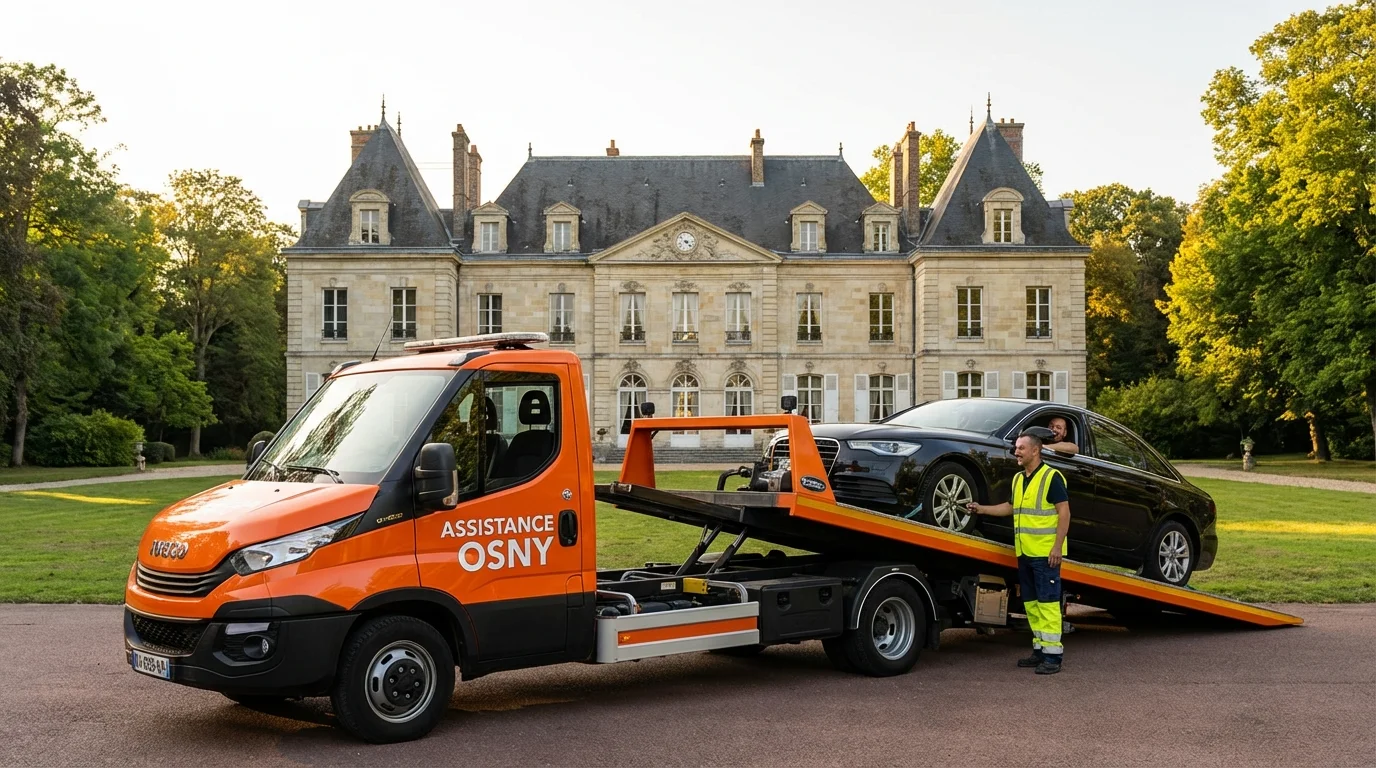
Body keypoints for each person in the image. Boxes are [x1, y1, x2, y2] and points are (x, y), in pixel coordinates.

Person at [967, 426, 1070, 674]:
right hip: (1025, 554)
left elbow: (1064, 513)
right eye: (1016, 448)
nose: (1016, 452)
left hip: (1046, 555)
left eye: (1021, 448)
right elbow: (1010, 507)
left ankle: (1053, 657)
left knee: (1048, 604)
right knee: (1032, 605)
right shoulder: (1018, 479)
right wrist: (981, 509)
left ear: (1036, 450)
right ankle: (1040, 650)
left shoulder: (1051, 477)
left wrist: (1057, 547)